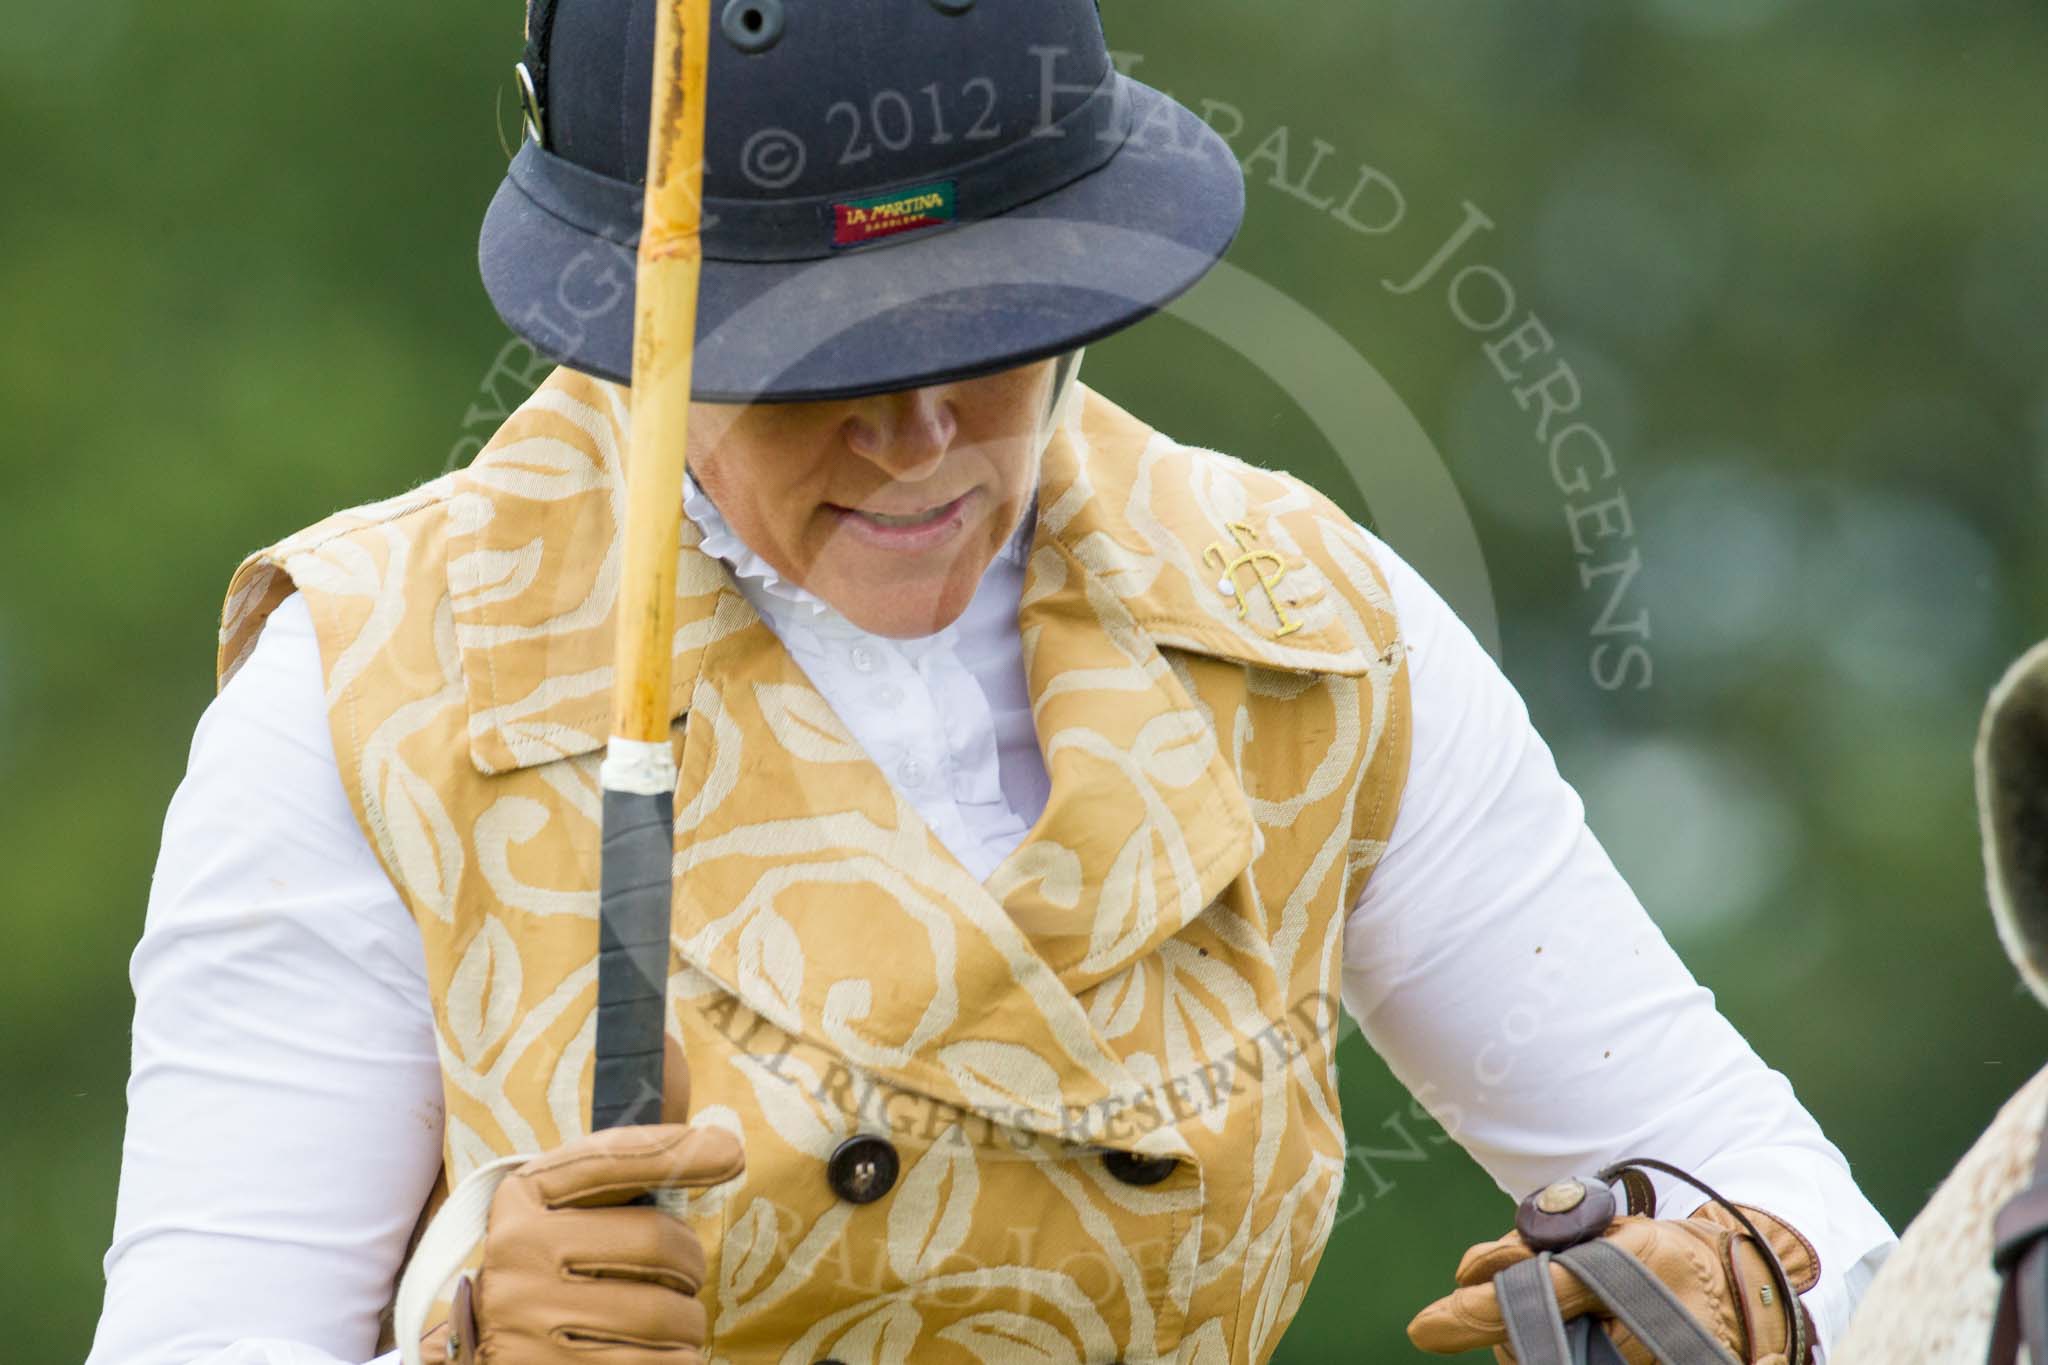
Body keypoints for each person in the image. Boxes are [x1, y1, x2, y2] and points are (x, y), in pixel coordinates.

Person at [86, 2, 1896, 1362]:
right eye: (817, 361)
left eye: (995, 330)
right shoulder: (368, 680)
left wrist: (1735, 1275)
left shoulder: (1310, 620)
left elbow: (1806, 1212)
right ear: (637, 311)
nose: (926, 437)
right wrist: (454, 1343)